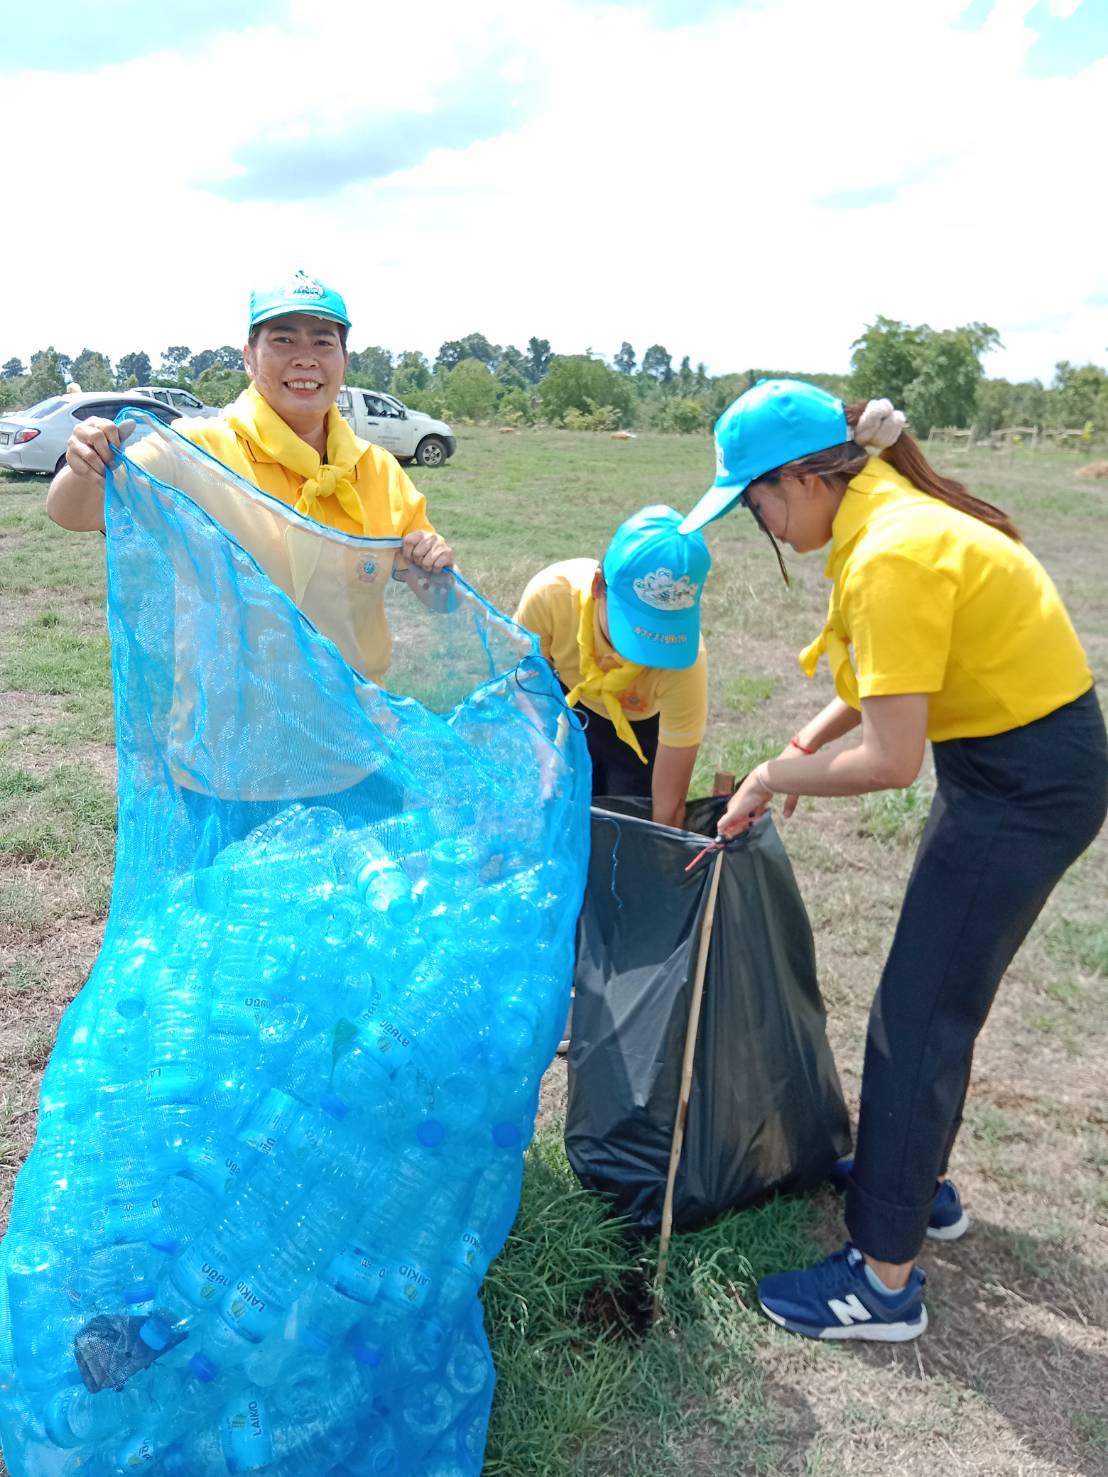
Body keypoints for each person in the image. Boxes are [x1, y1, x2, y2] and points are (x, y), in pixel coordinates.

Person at [680, 379, 1107, 1342]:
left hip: (1021, 780)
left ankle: (882, 1281)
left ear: (801, 478)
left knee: (918, 1012)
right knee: (934, 991)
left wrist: (764, 780)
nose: (759, 521)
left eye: (755, 502)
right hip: (1011, 757)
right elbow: (884, 678)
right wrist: (793, 749)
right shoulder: (882, 512)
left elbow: (889, 758)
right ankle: (918, 1189)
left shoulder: (891, 554)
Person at [46, 269, 453, 576]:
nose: (306, 357)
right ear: (248, 358)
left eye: (324, 342)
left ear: (344, 362)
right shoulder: (195, 451)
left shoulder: (377, 470)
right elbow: (73, 515)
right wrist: (85, 466)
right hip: (230, 692)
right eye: (284, 339)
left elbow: (422, 583)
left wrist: (430, 566)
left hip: (355, 690)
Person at [514, 505, 710, 829]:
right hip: (571, 709)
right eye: (632, 631)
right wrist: (544, 751)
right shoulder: (551, 597)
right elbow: (525, 677)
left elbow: (668, 805)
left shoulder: (686, 661)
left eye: (661, 639)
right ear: (597, 587)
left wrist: (657, 852)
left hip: (640, 729)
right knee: (563, 814)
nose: (644, 654)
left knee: (629, 822)